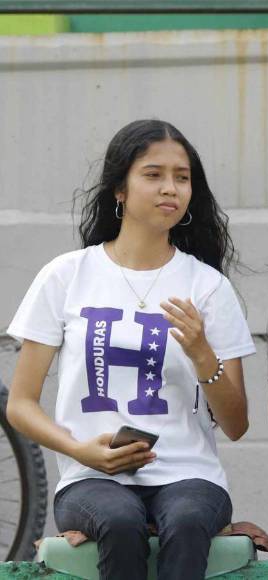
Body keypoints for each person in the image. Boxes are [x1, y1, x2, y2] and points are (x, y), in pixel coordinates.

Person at [6, 119, 255, 580]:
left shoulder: (208, 287)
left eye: (182, 178)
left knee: (185, 519)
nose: (171, 188)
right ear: (120, 188)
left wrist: (202, 353)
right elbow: (21, 405)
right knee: (119, 521)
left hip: (189, 476)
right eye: (154, 174)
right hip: (91, 478)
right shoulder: (66, 275)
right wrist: (81, 451)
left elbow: (237, 424)